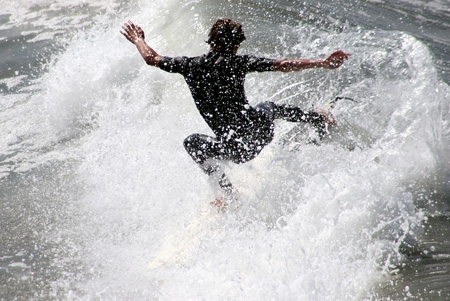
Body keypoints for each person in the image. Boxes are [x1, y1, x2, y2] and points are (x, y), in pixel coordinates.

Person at [121, 19, 350, 198]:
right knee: (267, 107)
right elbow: (282, 65)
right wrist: (321, 62)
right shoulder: (238, 63)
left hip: (234, 151)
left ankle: (227, 193)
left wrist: (138, 39)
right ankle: (318, 118)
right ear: (236, 46)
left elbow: (151, 58)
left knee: (192, 143)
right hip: (259, 135)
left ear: (210, 43)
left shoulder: (189, 66)